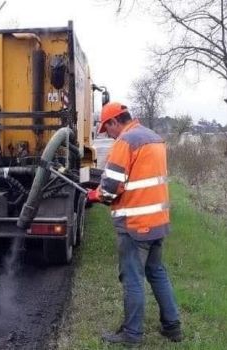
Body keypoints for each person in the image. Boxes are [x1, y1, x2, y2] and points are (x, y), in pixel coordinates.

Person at [87, 102, 182, 345]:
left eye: (107, 130)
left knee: (132, 278)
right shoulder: (154, 138)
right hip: (158, 221)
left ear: (114, 122)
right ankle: (172, 327)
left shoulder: (125, 142)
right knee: (156, 272)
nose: (108, 135)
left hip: (136, 224)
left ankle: (132, 335)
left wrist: (94, 195)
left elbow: (111, 189)